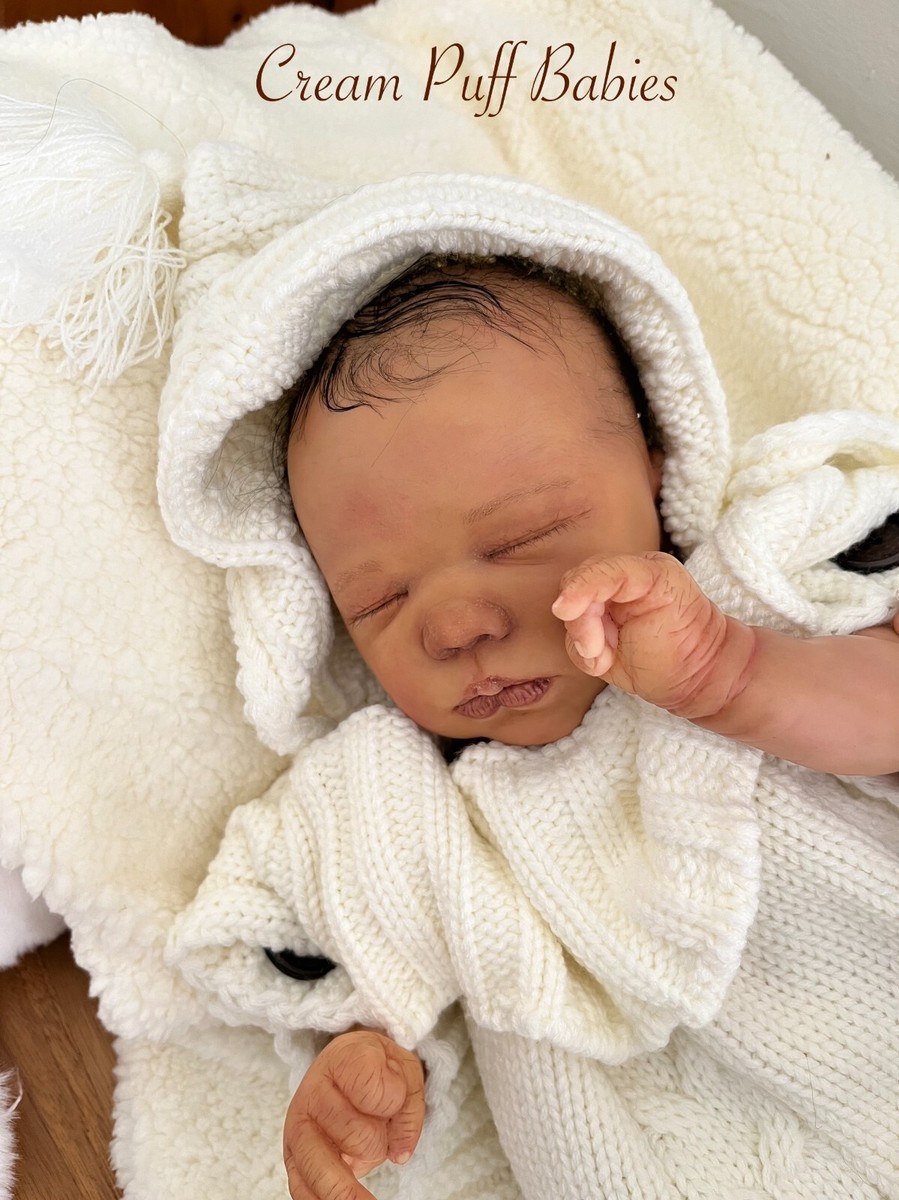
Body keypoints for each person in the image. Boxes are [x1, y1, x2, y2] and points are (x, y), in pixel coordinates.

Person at [272, 254, 899, 1200]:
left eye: (521, 539)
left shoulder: (760, 595)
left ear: (655, 467)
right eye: (379, 601)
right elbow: (369, 957)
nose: (453, 625)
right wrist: (365, 1062)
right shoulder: (401, 808)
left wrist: (732, 672)